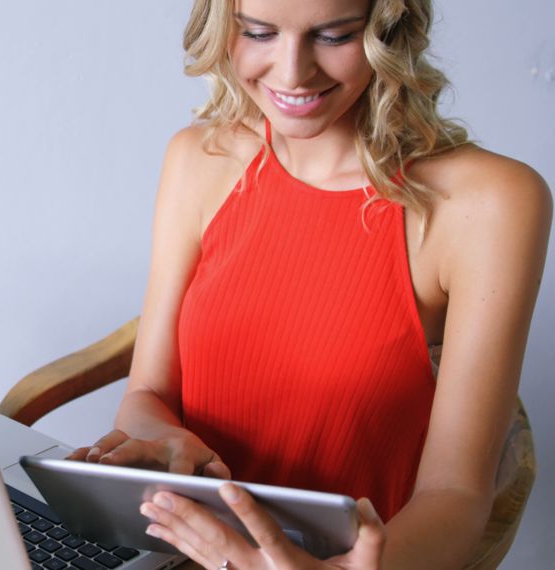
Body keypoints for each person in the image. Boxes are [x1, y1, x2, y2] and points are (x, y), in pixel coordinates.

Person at [65, 0, 552, 568]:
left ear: (385, 31)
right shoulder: (200, 158)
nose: (292, 72)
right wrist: (166, 440)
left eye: (334, 35)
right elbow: (147, 395)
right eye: (259, 32)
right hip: (180, 553)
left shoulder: (487, 202)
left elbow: (457, 498)